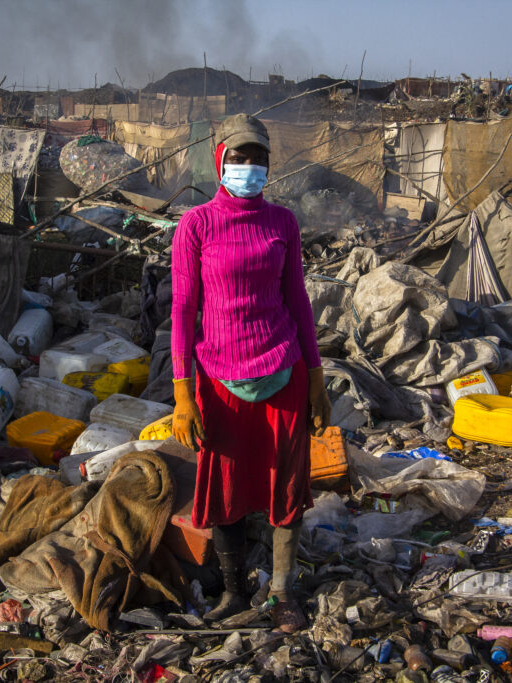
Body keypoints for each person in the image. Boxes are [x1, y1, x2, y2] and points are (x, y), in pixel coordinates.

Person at [170, 113, 331, 633]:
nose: (249, 167)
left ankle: (282, 592)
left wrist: (318, 375)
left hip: (283, 372)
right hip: (218, 378)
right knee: (225, 488)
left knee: (287, 487)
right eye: (239, 157)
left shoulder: (282, 222)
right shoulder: (196, 225)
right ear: (220, 161)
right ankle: (236, 592)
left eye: (258, 158)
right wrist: (182, 392)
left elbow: (298, 302)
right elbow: (182, 309)